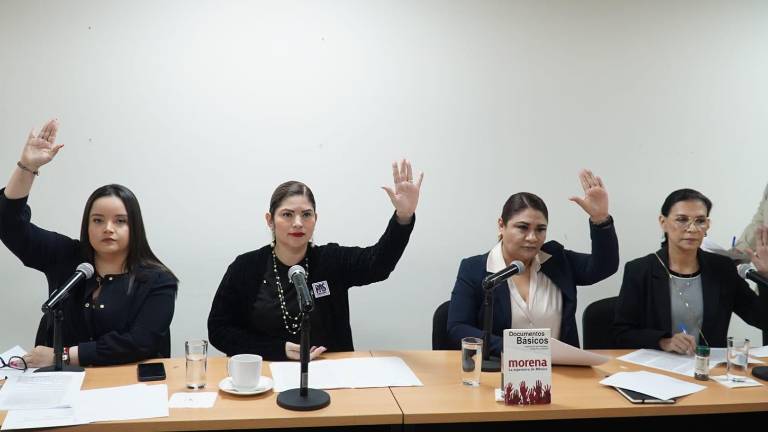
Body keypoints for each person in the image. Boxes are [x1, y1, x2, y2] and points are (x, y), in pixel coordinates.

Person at [0, 119, 178, 367]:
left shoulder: (158, 280)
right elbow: (10, 226)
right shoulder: (65, 256)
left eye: (120, 221)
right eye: (98, 220)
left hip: (126, 387)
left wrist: (61, 355)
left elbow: (140, 342)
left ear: (134, 226)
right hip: (59, 386)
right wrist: (27, 167)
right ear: (87, 225)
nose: (108, 228)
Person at [207, 160, 423, 361]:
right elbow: (219, 330)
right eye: (288, 215)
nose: (298, 223)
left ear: (315, 219)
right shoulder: (245, 267)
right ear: (270, 220)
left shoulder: (331, 260)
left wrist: (403, 217)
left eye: (306, 215)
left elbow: (378, 265)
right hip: (265, 374)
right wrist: (277, 349)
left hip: (331, 373)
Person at [447, 170, 619, 356]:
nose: (532, 237)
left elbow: (604, 266)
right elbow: (458, 327)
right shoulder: (475, 269)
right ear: (501, 225)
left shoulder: (557, 260)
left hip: (561, 372)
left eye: (540, 229)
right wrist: (516, 349)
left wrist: (600, 220)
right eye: (522, 227)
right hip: (501, 370)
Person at [613, 189, 768, 353]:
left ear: (708, 225)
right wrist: (663, 341)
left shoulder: (722, 268)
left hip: (708, 369)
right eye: (682, 220)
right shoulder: (640, 270)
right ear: (663, 222)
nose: (692, 229)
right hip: (657, 369)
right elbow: (621, 334)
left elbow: (762, 319)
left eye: (700, 221)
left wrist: (765, 276)